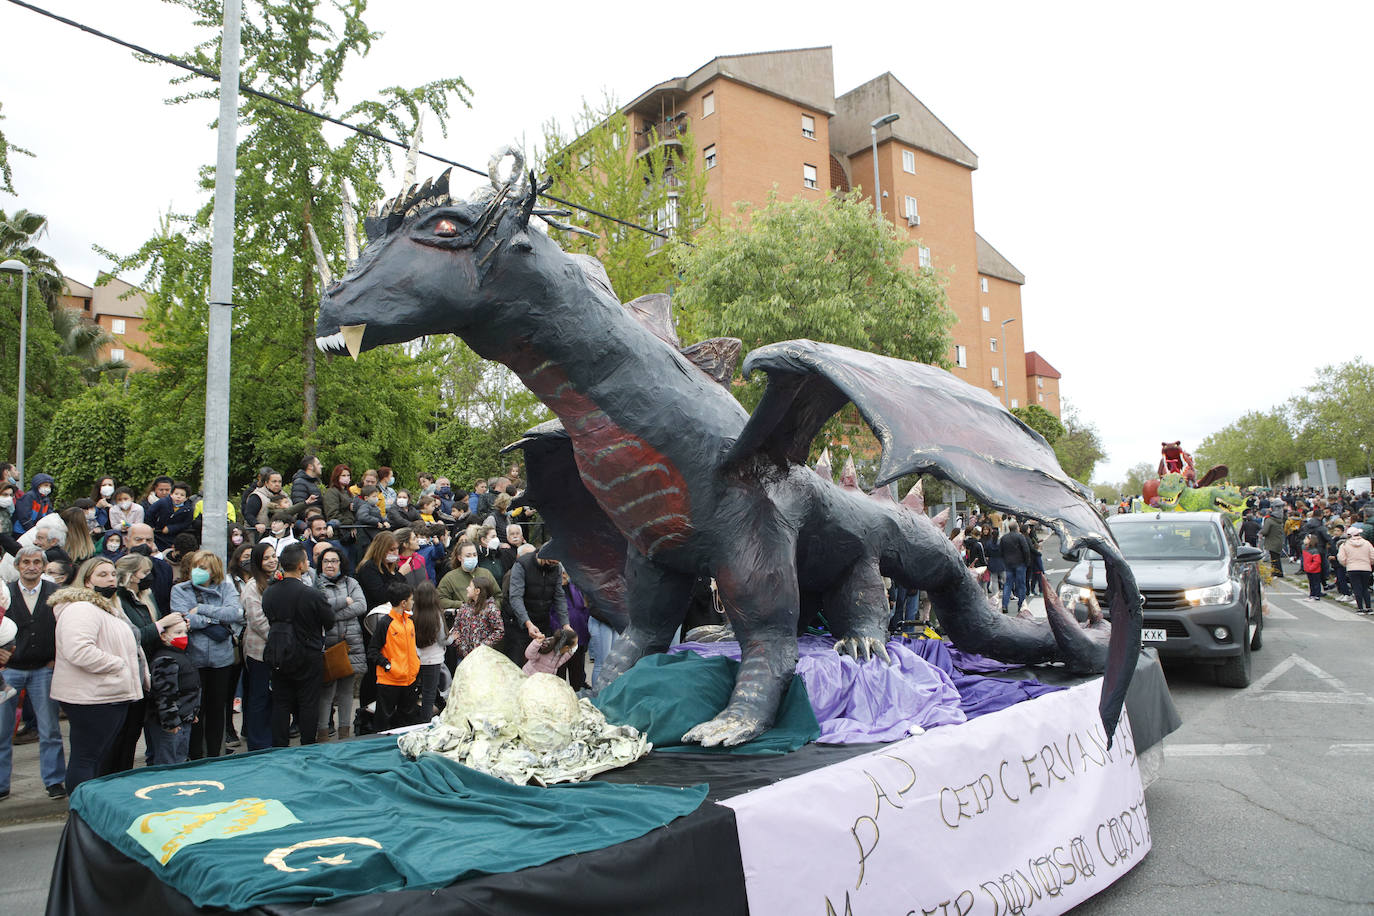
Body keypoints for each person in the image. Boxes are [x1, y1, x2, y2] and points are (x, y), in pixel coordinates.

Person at [50, 557, 144, 794]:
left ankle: (90, 810)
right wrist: (118, 665)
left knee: (98, 758)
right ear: (87, 580)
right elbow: (78, 650)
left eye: (113, 574)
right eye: (102, 574)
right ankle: (81, 811)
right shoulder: (82, 608)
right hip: (92, 697)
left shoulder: (107, 606)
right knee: (87, 758)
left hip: (108, 694)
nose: (110, 578)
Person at [0, 546, 67, 800]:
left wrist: (56, 659)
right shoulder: (4, 593)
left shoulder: (56, 593)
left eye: (37, 562)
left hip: (43, 670)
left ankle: (54, 781)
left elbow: (65, 629)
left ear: (43, 565)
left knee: (50, 729)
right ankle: (1, 784)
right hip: (10, 670)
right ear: (18, 565)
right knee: (2, 731)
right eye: (26, 562)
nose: (31, 566)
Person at [107, 554, 179, 773]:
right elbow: (132, 636)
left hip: (151, 669)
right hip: (130, 671)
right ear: (130, 575)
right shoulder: (119, 600)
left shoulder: (147, 596)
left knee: (139, 728)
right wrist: (161, 625)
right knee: (124, 733)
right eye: (144, 573)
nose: (148, 577)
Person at [171, 550, 242, 759]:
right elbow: (184, 620)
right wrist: (215, 619)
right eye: (195, 567)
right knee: (195, 711)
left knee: (217, 708)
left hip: (221, 659)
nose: (197, 572)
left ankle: (214, 754)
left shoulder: (226, 588)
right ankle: (195, 755)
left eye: (203, 568)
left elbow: (235, 613)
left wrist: (201, 609)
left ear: (214, 571)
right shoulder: (179, 590)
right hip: (194, 658)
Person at [263, 543, 335, 747]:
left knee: (281, 702)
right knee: (308, 702)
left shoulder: (270, 592)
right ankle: (307, 745)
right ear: (301, 565)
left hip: (279, 651)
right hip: (307, 652)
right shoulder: (311, 594)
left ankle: (279, 746)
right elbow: (329, 621)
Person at [316, 546, 365, 741]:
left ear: (340, 563)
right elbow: (319, 609)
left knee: (346, 691)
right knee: (326, 691)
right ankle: (322, 733)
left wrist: (332, 612)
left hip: (350, 643)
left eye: (334, 561)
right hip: (327, 645)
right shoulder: (316, 584)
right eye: (326, 561)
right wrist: (344, 601)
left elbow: (361, 605)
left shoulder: (351, 582)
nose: (330, 564)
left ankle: (345, 733)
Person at [145, 616, 200, 766]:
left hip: (184, 718)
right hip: (170, 724)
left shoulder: (181, 655)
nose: (183, 636)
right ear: (163, 636)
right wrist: (170, 722)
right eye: (177, 633)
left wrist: (192, 712)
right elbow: (165, 694)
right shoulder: (165, 659)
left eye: (185, 632)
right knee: (167, 760)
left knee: (180, 758)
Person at [367, 579, 419, 731]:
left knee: (407, 721)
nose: (413, 601)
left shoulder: (409, 622)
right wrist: (388, 666)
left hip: (409, 680)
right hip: (390, 681)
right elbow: (372, 650)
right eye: (411, 599)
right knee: (384, 720)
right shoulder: (385, 623)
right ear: (403, 603)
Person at [238, 542, 276, 750]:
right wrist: (278, 638)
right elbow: (257, 620)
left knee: (273, 696)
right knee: (259, 696)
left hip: (277, 649)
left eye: (273, 556)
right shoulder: (252, 586)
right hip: (259, 649)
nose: (272, 561)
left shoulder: (277, 580)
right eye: (266, 558)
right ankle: (258, 742)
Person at [507, 547, 567, 662]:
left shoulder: (556, 568)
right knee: (519, 664)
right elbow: (515, 597)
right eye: (550, 562)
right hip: (519, 625)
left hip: (542, 622)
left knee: (541, 665)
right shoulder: (522, 565)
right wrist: (528, 623)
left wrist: (565, 624)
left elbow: (559, 596)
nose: (552, 565)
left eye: (556, 563)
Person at [411, 581, 450, 723]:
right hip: (433, 660)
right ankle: (425, 722)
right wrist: (452, 638)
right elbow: (442, 639)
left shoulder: (413, 614)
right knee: (429, 693)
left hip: (417, 658)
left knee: (415, 691)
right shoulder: (436, 615)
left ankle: (413, 720)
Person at [449, 577, 504, 660]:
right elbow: (456, 627)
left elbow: (499, 631)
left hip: (482, 657)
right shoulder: (464, 607)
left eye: (470, 586)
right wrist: (460, 645)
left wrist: (482, 646)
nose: (467, 588)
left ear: (477, 591)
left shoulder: (491, 609)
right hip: (463, 656)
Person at [998, 519, 1032, 613]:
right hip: (1020, 563)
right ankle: (1020, 604)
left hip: (1008, 563)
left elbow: (1000, 551)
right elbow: (1026, 550)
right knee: (1021, 585)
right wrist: (1027, 561)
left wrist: (1004, 560)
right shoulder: (1020, 537)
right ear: (1017, 528)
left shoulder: (1004, 538)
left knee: (1008, 584)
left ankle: (1004, 605)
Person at [1338, 526, 1374, 613]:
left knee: (1356, 587)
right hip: (1366, 568)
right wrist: (1369, 563)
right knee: (1365, 588)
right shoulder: (1367, 543)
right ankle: (1369, 607)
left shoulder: (1345, 544)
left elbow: (1341, 558)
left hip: (1352, 568)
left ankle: (1360, 608)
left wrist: (1347, 564)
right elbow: (1372, 556)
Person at [243, 468, 285, 539]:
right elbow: (248, 514)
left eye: (279, 482)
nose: (277, 484)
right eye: (274, 482)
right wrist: (256, 524)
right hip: (258, 536)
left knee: (302, 538)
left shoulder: (285, 496)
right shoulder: (257, 496)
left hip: (281, 536)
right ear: (266, 483)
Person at [1259, 506, 1285, 578]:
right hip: (1278, 540)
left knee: (1274, 558)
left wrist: (1261, 533)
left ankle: (1276, 572)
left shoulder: (1269, 520)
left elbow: (1265, 530)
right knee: (1276, 557)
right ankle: (1278, 572)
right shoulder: (1278, 520)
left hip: (1271, 540)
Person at [1301, 534, 1324, 600]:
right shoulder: (1304, 548)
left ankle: (1317, 595)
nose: (1304, 540)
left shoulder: (1314, 551)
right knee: (1311, 583)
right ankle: (1312, 594)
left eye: (1306, 539)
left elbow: (1317, 561)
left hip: (1314, 570)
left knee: (1316, 583)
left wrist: (1311, 567)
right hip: (1308, 569)